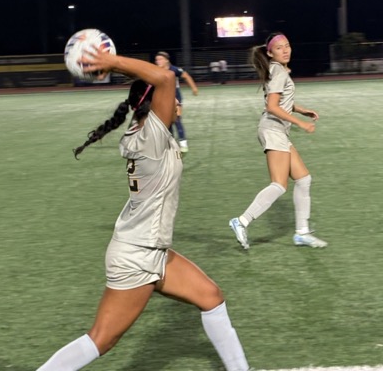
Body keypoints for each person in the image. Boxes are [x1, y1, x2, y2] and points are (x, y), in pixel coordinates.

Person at [35, 51, 251, 371]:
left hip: (151, 248)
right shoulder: (152, 134)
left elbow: (159, 84)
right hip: (137, 255)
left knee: (211, 297)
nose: (178, 104)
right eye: (173, 101)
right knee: (101, 339)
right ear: (155, 106)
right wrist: (112, 60)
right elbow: (165, 78)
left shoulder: (141, 133)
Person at [229, 32, 327, 249]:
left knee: (303, 179)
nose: (286, 50)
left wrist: (302, 111)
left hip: (277, 130)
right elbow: (271, 107)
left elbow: (281, 101)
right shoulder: (279, 71)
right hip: (273, 129)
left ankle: (302, 232)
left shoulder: (277, 70)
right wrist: (300, 124)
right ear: (270, 52)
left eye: (288, 45)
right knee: (279, 185)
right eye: (280, 47)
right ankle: (241, 221)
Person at [154, 51, 199, 153]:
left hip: (176, 99)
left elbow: (186, 76)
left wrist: (194, 88)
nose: (158, 61)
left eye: (160, 59)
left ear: (166, 60)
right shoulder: (156, 71)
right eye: (157, 60)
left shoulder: (174, 70)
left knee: (177, 120)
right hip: (163, 100)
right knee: (167, 123)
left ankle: (183, 144)